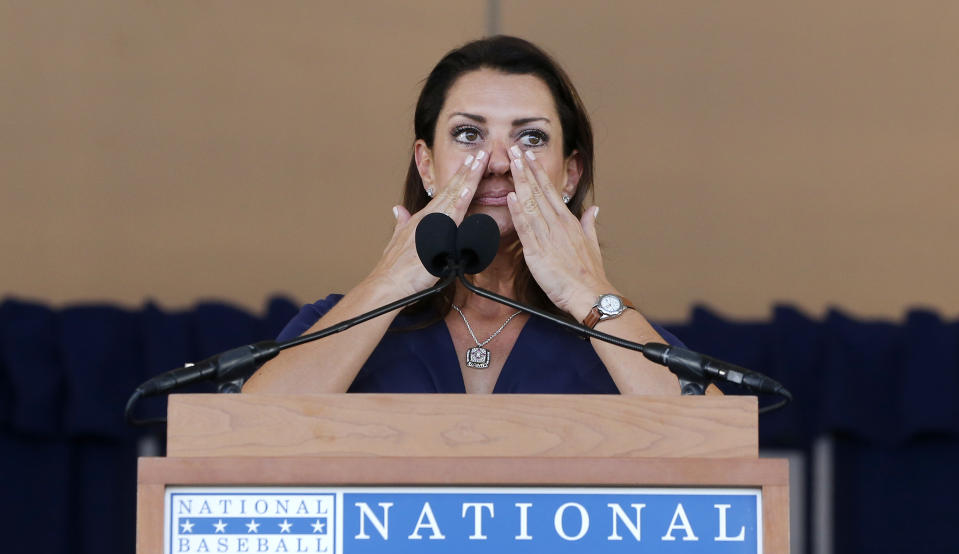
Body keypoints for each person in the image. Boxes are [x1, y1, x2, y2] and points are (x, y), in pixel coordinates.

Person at [244, 36, 684, 396]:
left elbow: (718, 453)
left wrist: (587, 292)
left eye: (530, 137)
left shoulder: (616, 332)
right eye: (468, 134)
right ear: (427, 164)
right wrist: (390, 284)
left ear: (570, 175)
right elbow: (245, 438)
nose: (497, 161)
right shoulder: (343, 317)